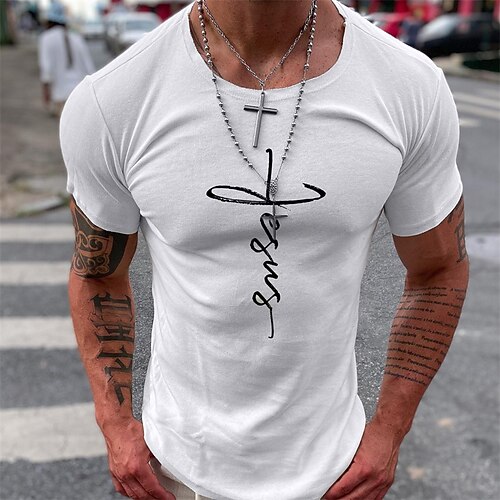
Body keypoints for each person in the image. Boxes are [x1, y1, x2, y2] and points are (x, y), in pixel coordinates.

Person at [59, 0, 469, 499]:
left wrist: (389, 431)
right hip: (180, 470)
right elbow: (97, 273)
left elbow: (439, 269)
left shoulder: (408, 87)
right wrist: (115, 425)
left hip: (334, 474)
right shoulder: (114, 99)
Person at [38, 1, 95, 118]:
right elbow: (89, 67)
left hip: (60, 95)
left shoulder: (46, 39)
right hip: (80, 94)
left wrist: (46, 92)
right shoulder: (77, 38)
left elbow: (46, 68)